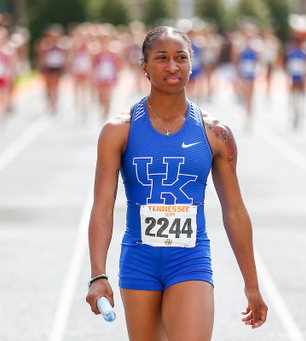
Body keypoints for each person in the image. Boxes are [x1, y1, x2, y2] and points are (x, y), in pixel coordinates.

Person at [86, 26, 267, 341]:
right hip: (138, 261)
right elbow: (102, 206)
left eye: (181, 57)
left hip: (190, 259)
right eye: (161, 58)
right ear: (144, 65)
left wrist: (251, 284)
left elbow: (235, 211)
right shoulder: (118, 131)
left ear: (192, 63)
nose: (172, 66)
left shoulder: (216, 133)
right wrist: (97, 275)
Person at [285, 34, 306, 130]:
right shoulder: (291, 51)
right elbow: (288, 65)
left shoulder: (305, 51)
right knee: (293, 99)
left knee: (300, 98)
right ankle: (295, 115)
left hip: (301, 79)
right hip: (293, 78)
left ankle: (300, 115)